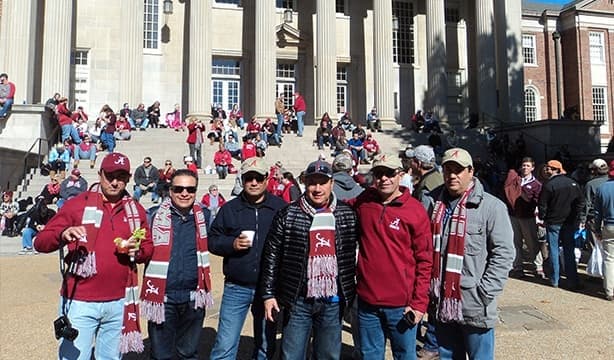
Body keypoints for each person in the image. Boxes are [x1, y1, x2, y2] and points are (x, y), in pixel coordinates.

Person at [35, 152, 154, 359]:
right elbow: (40, 242)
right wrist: (63, 234)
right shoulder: (77, 204)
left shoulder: (136, 210)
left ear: (128, 178)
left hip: (120, 301)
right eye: (110, 176)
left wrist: (139, 250)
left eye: (121, 177)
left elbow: (148, 246)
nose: (115, 182)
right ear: (100, 174)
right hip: (81, 300)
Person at [260, 159, 359, 360]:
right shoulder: (288, 213)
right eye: (312, 182)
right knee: (291, 355)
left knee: (328, 355)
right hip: (298, 298)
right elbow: (271, 255)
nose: (317, 188)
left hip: (333, 299)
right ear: (305, 183)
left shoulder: (347, 214)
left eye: (322, 182)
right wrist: (268, 294)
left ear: (332, 183)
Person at [427, 148, 514, 359]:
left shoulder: (492, 207)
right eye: (448, 170)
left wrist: (484, 293)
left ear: (471, 171)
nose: (452, 175)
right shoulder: (433, 204)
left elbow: (504, 253)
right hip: (441, 301)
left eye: (458, 170)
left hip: (474, 301)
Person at [351, 153, 432, 359]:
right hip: (368, 301)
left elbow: (425, 260)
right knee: (369, 355)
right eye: (379, 174)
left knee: (405, 355)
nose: (384, 179)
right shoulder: (364, 201)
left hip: (401, 305)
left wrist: (419, 303)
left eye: (389, 173)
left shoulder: (415, 210)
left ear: (400, 175)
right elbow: (339, 206)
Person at [208, 157, 287, 359]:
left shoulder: (280, 208)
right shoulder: (230, 208)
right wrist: (231, 244)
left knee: (265, 344)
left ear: (266, 179)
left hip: (269, 289)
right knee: (225, 344)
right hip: (237, 286)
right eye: (249, 178)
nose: (253, 182)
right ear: (242, 180)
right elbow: (213, 240)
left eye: (258, 178)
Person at [141, 169, 214, 359]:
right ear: (170, 190)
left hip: (194, 296)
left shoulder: (204, 216)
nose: (184, 193)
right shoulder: (153, 216)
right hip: (163, 296)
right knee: (160, 354)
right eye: (179, 188)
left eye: (190, 189)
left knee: (188, 353)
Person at [538, 160, 586, 289]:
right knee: (568, 251)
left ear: (556, 170)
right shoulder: (573, 183)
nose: (548, 171)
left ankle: (555, 279)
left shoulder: (549, 185)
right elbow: (581, 202)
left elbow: (542, 204)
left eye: (550, 169)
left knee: (553, 250)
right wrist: (576, 216)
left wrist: (543, 217)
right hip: (569, 222)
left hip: (553, 222)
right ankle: (572, 280)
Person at [503, 157, 544, 278]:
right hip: (513, 215)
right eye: (524, 165)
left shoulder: (536, 184)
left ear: (532, 168)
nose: (525, 168)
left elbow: (538, 200)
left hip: (527, 217)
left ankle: (538, 266)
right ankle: (517, 266)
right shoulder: (515, 180)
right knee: (515, 242)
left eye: (527, 166)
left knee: (532, 243)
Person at [592, 159, 614, 301]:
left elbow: (597, 213)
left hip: (609, 225)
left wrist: (597, 229)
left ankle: (609, 291)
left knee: (609, 259)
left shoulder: (602, 188)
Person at [407, 145, 443, 213]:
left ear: (418, 163)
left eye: (412, 161)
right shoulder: (438, 175)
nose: (410, 164)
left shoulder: (425, 189)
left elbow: (422, 215)